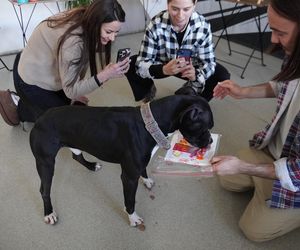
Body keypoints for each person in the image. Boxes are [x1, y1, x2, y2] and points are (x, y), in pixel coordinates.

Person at [212, 0, 300, 242]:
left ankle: (269, 188)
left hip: (296, 172)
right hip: (278, 153)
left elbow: (298, 171)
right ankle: (265, 183)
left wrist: (243, 167)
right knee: (227, 178)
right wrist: (242, 92)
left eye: (280, 32)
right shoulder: (296, 53)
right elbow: (284, 84)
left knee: (253, 231)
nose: (273, 40)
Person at [0, 0, 129, 126]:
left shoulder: (85, 16)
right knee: (63, 123)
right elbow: (71, 89)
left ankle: (36, 104)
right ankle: (17, 105)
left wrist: (74, 91)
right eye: (109, 32)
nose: (112, 38)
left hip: (39, 65)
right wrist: (104, 75)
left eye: (116, 32)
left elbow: (77, 64)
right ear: (95, 23)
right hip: (29, 81)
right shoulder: (73, 42)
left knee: (73, 109)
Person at [125, 0, 230, 103]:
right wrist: (164, 69)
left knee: (222, 75)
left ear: (194, 4)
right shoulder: (155, 24)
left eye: (186, 9)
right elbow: (141, 63)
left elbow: (209, 62)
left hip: (191, 66)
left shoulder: (203, 25)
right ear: (167, 4)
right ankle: (147, 90)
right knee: (130, 64)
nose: (180, 16)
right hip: (163, 62)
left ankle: (192, 96)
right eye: (175, 9)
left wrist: (196, 75)